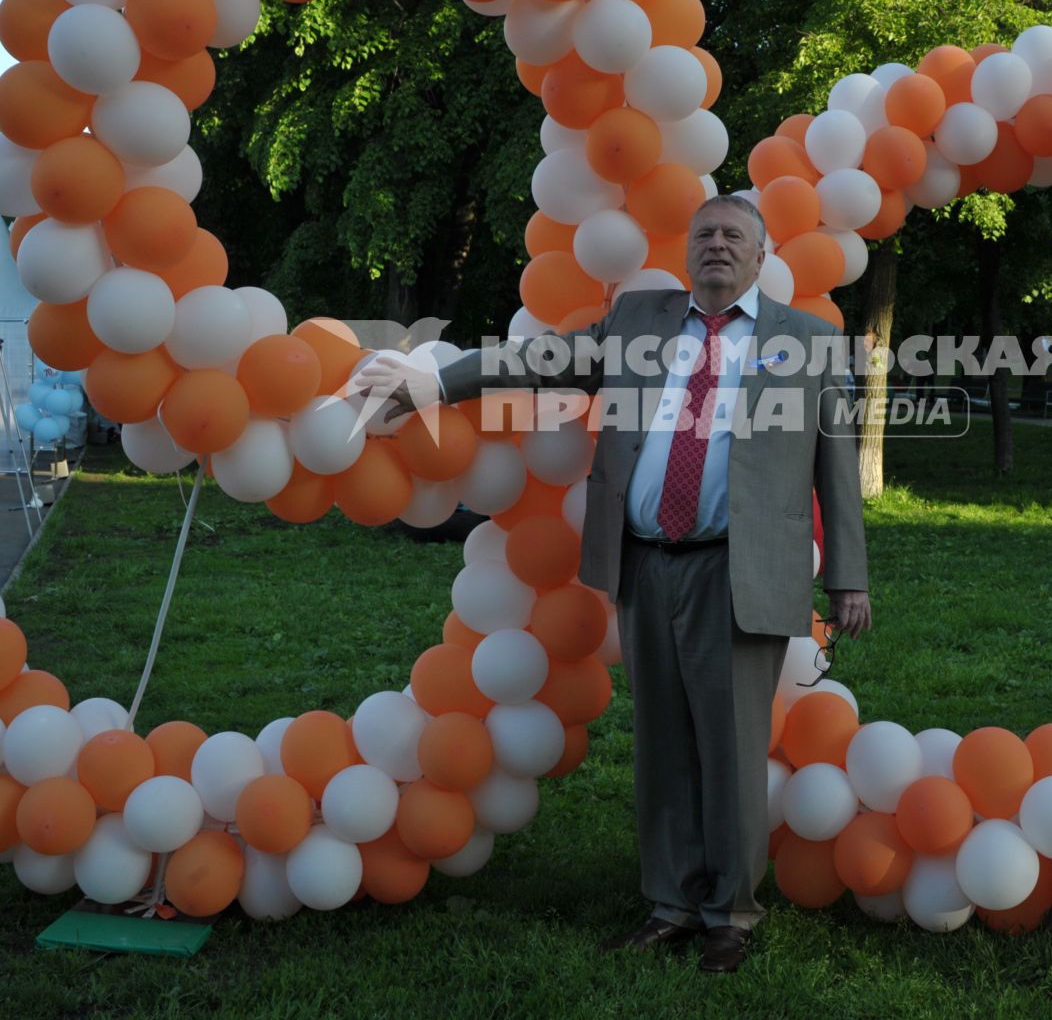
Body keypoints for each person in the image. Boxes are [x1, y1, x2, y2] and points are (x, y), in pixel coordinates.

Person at [352, 194, 870, 974]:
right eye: (705, 235)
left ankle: (729, 911)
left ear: (762, 256)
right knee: (662, 743)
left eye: (735, 236)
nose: (718, 247)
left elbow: (837, 470)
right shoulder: (639, 321)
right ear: (688, 252)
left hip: (742, 568)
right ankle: (669, 901)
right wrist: (438, 384)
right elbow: (537, 359)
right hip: (646, 562)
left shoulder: (809, 342)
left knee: (730, 746)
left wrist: (849, 581)